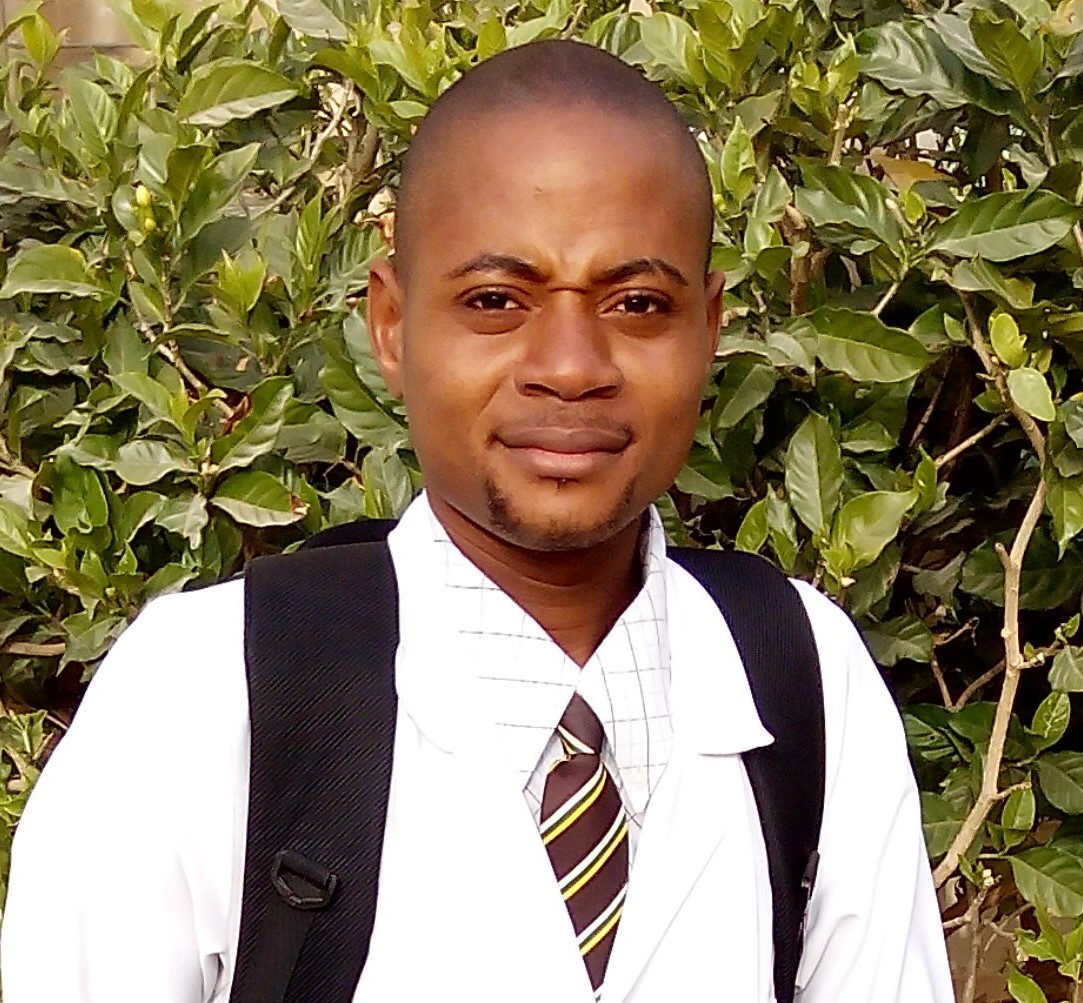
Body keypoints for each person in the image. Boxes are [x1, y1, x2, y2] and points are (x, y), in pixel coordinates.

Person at [1, 39, 954, 1003]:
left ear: (707, 328)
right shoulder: (205, 696)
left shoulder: (802, 678)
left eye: (637, 303)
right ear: (391, 324)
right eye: (495, 301)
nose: (571, 366)